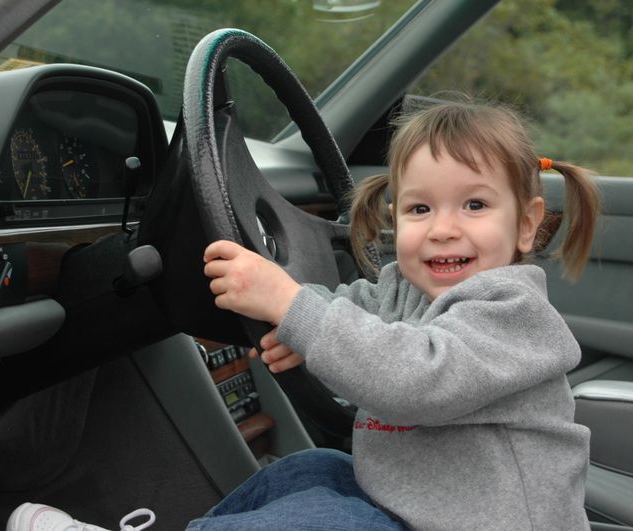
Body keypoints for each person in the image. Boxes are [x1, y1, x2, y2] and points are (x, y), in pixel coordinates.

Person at [192, 100, 599, 530]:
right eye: (420, 209)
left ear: (525, 225)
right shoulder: (402, 289)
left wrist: (289, 303)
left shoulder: (513, 312)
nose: (442, 229)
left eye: (474, 205)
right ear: (395, 219)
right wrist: (291, 321)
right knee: (309, 470)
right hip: (414, 508)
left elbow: (415, 377)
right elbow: (341, 308)